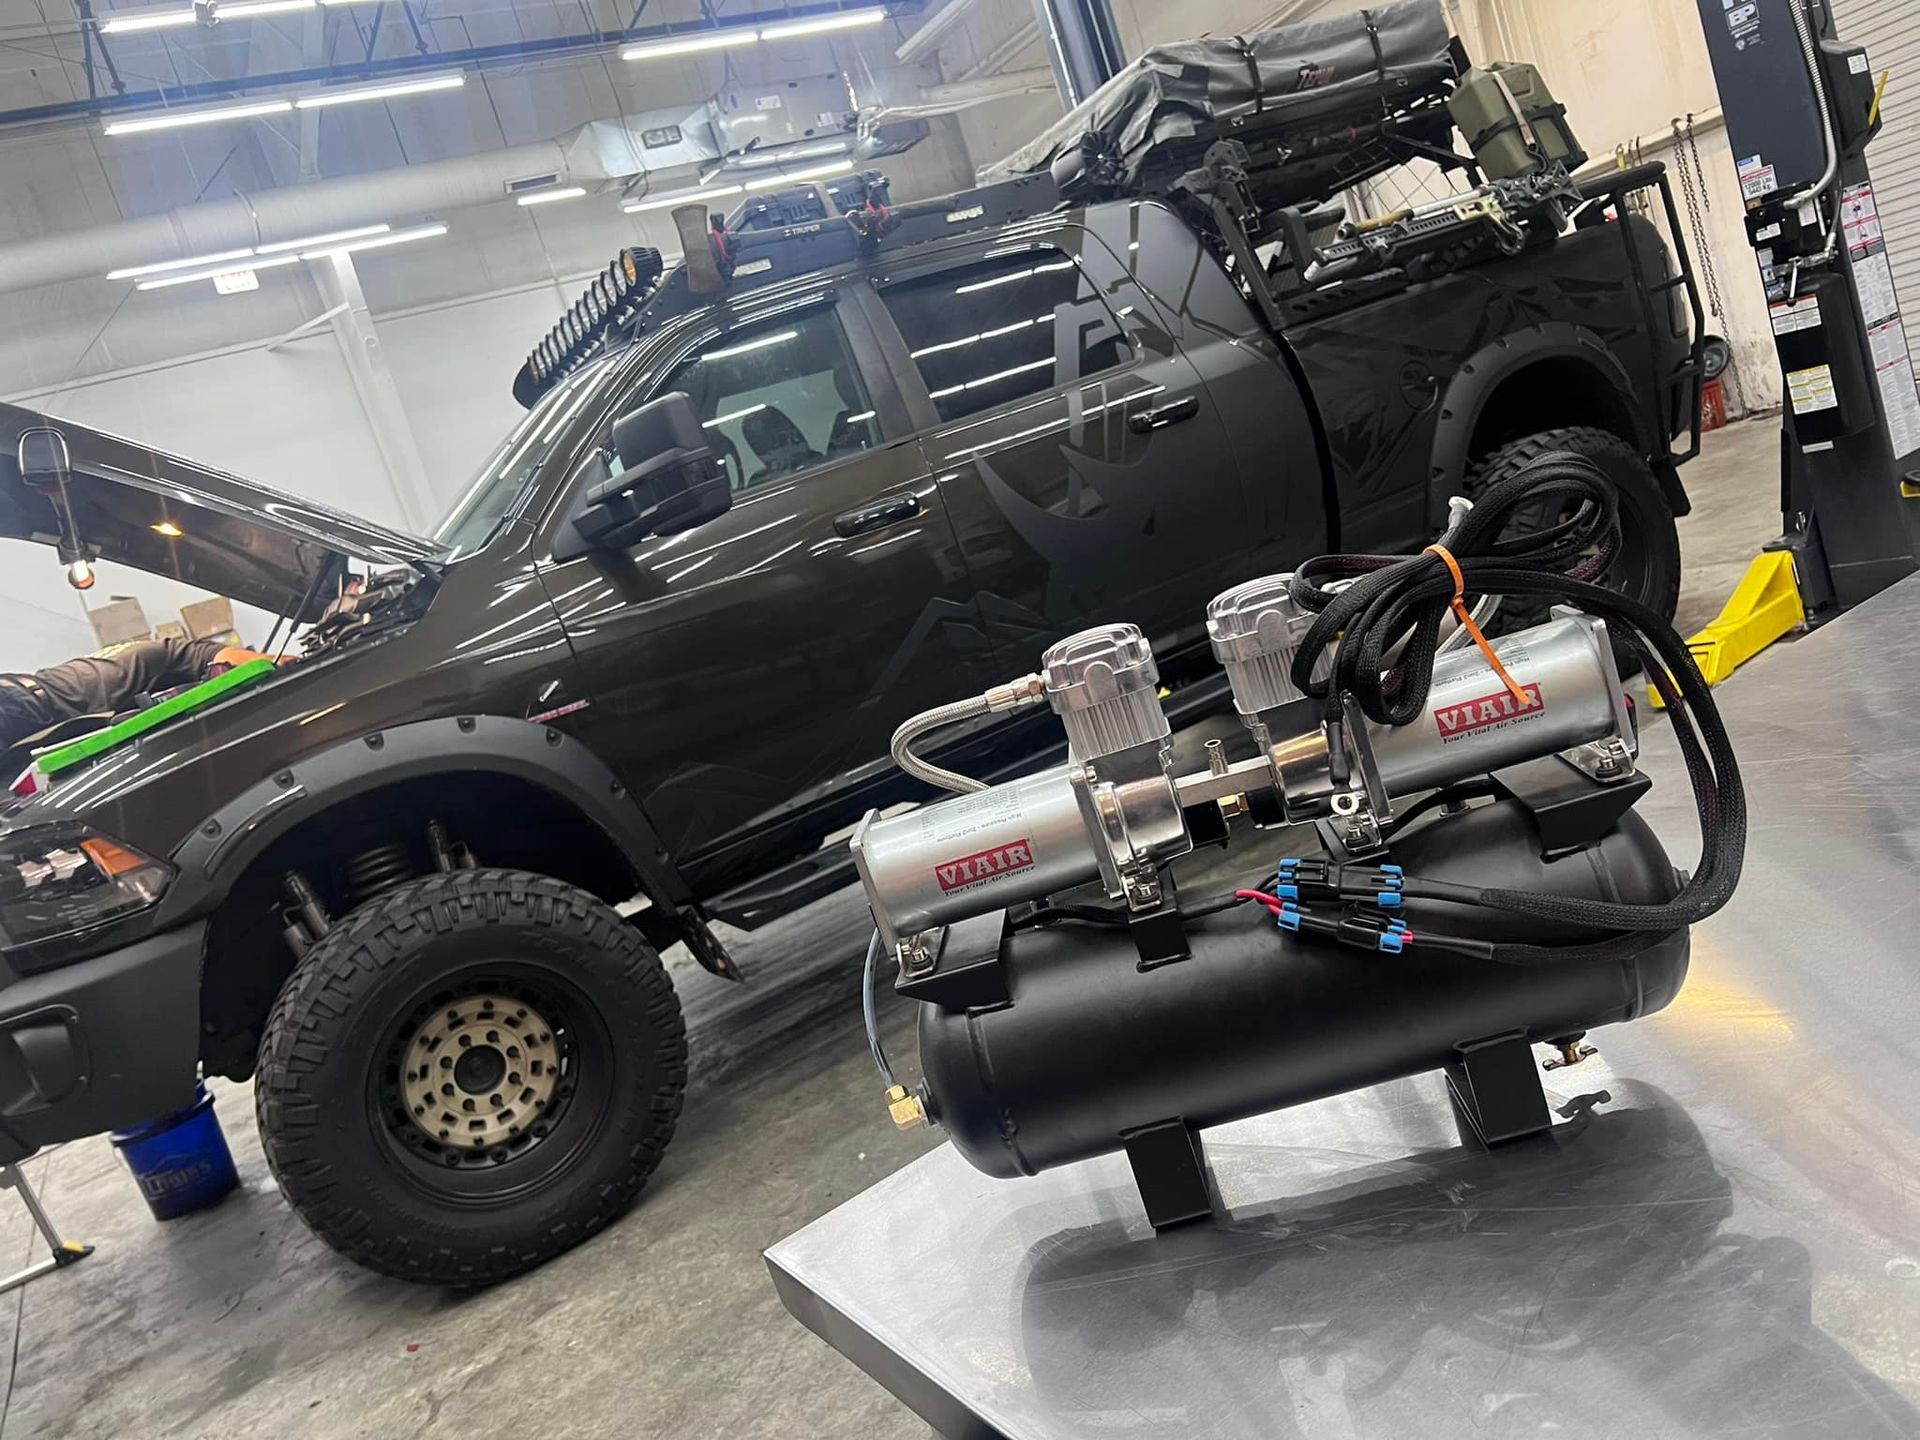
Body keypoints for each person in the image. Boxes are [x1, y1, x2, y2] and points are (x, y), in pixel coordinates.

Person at [0, 635, 276, 752]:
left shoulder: (116, 676)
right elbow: (197, 653)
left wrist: (269, 661)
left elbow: (201, 653)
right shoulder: (109, 676)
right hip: (38, 703)